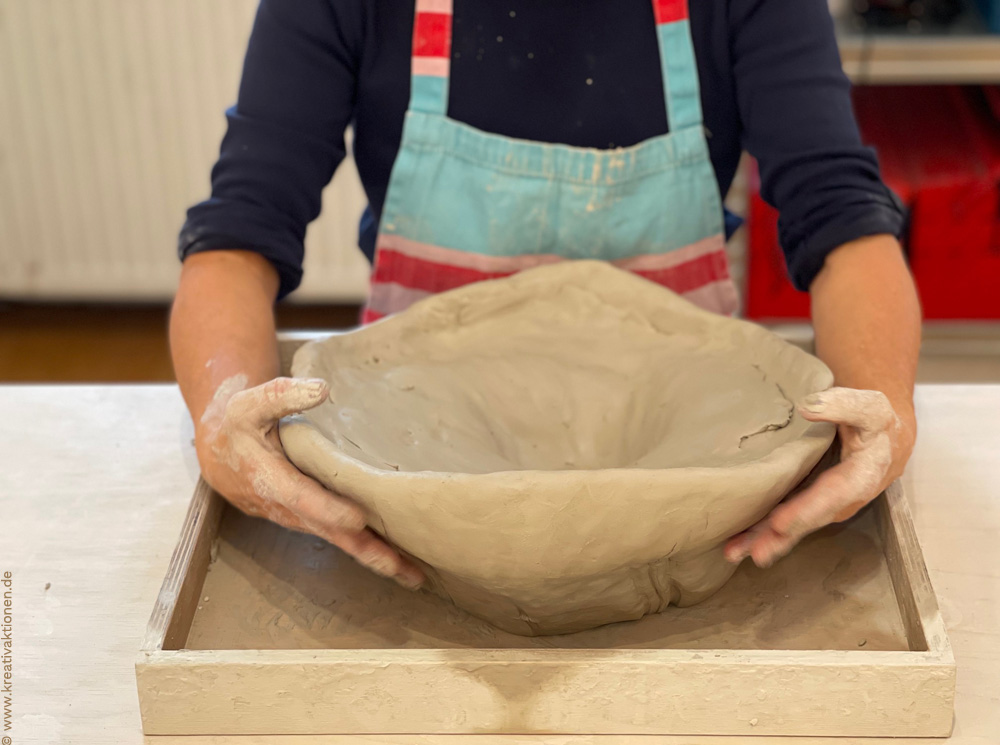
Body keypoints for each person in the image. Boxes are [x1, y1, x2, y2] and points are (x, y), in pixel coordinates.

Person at [170, 0, 920, 590]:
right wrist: (221, 417)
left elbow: (842, 218)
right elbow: (239, 234)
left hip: (691, 467)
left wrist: (883, 408)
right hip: (411, 454)